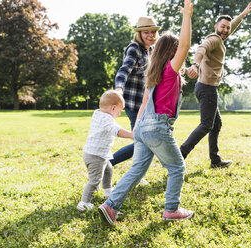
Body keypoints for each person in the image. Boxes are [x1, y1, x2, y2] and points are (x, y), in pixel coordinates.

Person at [98, 0, 194, 224]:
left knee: (137, 169)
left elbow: (143, 105)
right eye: (177, 48)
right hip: (158, 126)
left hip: (143, 126)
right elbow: (186, 46)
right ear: (172, 51)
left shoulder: (153, 74)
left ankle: (110, 206)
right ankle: (171, 209)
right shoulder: (170, 70)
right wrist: (187, 17)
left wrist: (139, 129)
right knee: (177, 167)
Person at [181, 2, 251, 169]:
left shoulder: (221, 37)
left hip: (206, 88)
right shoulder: (213, 39)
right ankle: (180, 154)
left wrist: (241, 15)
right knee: (206, 125)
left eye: (227, 28)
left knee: (216, 124)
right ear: (216, 26)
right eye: (222, 27)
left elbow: (231, 25)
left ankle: (215, 160)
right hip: (207, 89)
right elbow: (201, 49)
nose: (225, 30)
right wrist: (195, 64)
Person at [109, 16, 160, 169]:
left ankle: (136, 173)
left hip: (147, 104)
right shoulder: (135, 48)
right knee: (142, 141)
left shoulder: (151, 50)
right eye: (146, 32)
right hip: (134, 103)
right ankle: (107, 163)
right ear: (139, 34)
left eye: (152, 32)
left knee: (145, 141)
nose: (150, 35)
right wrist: (119, 88)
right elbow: (124, 70)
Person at [77, 90, 133, 211]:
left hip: (96, 154)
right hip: (96, 156)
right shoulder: (107, 120)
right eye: (120, 110)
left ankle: (107, 191)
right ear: (113, 108)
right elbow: (117, 131)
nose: (120, 113)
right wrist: (132, 135)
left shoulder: (97, 114)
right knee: (94, 180)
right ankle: (84, 203)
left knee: (108, 169)